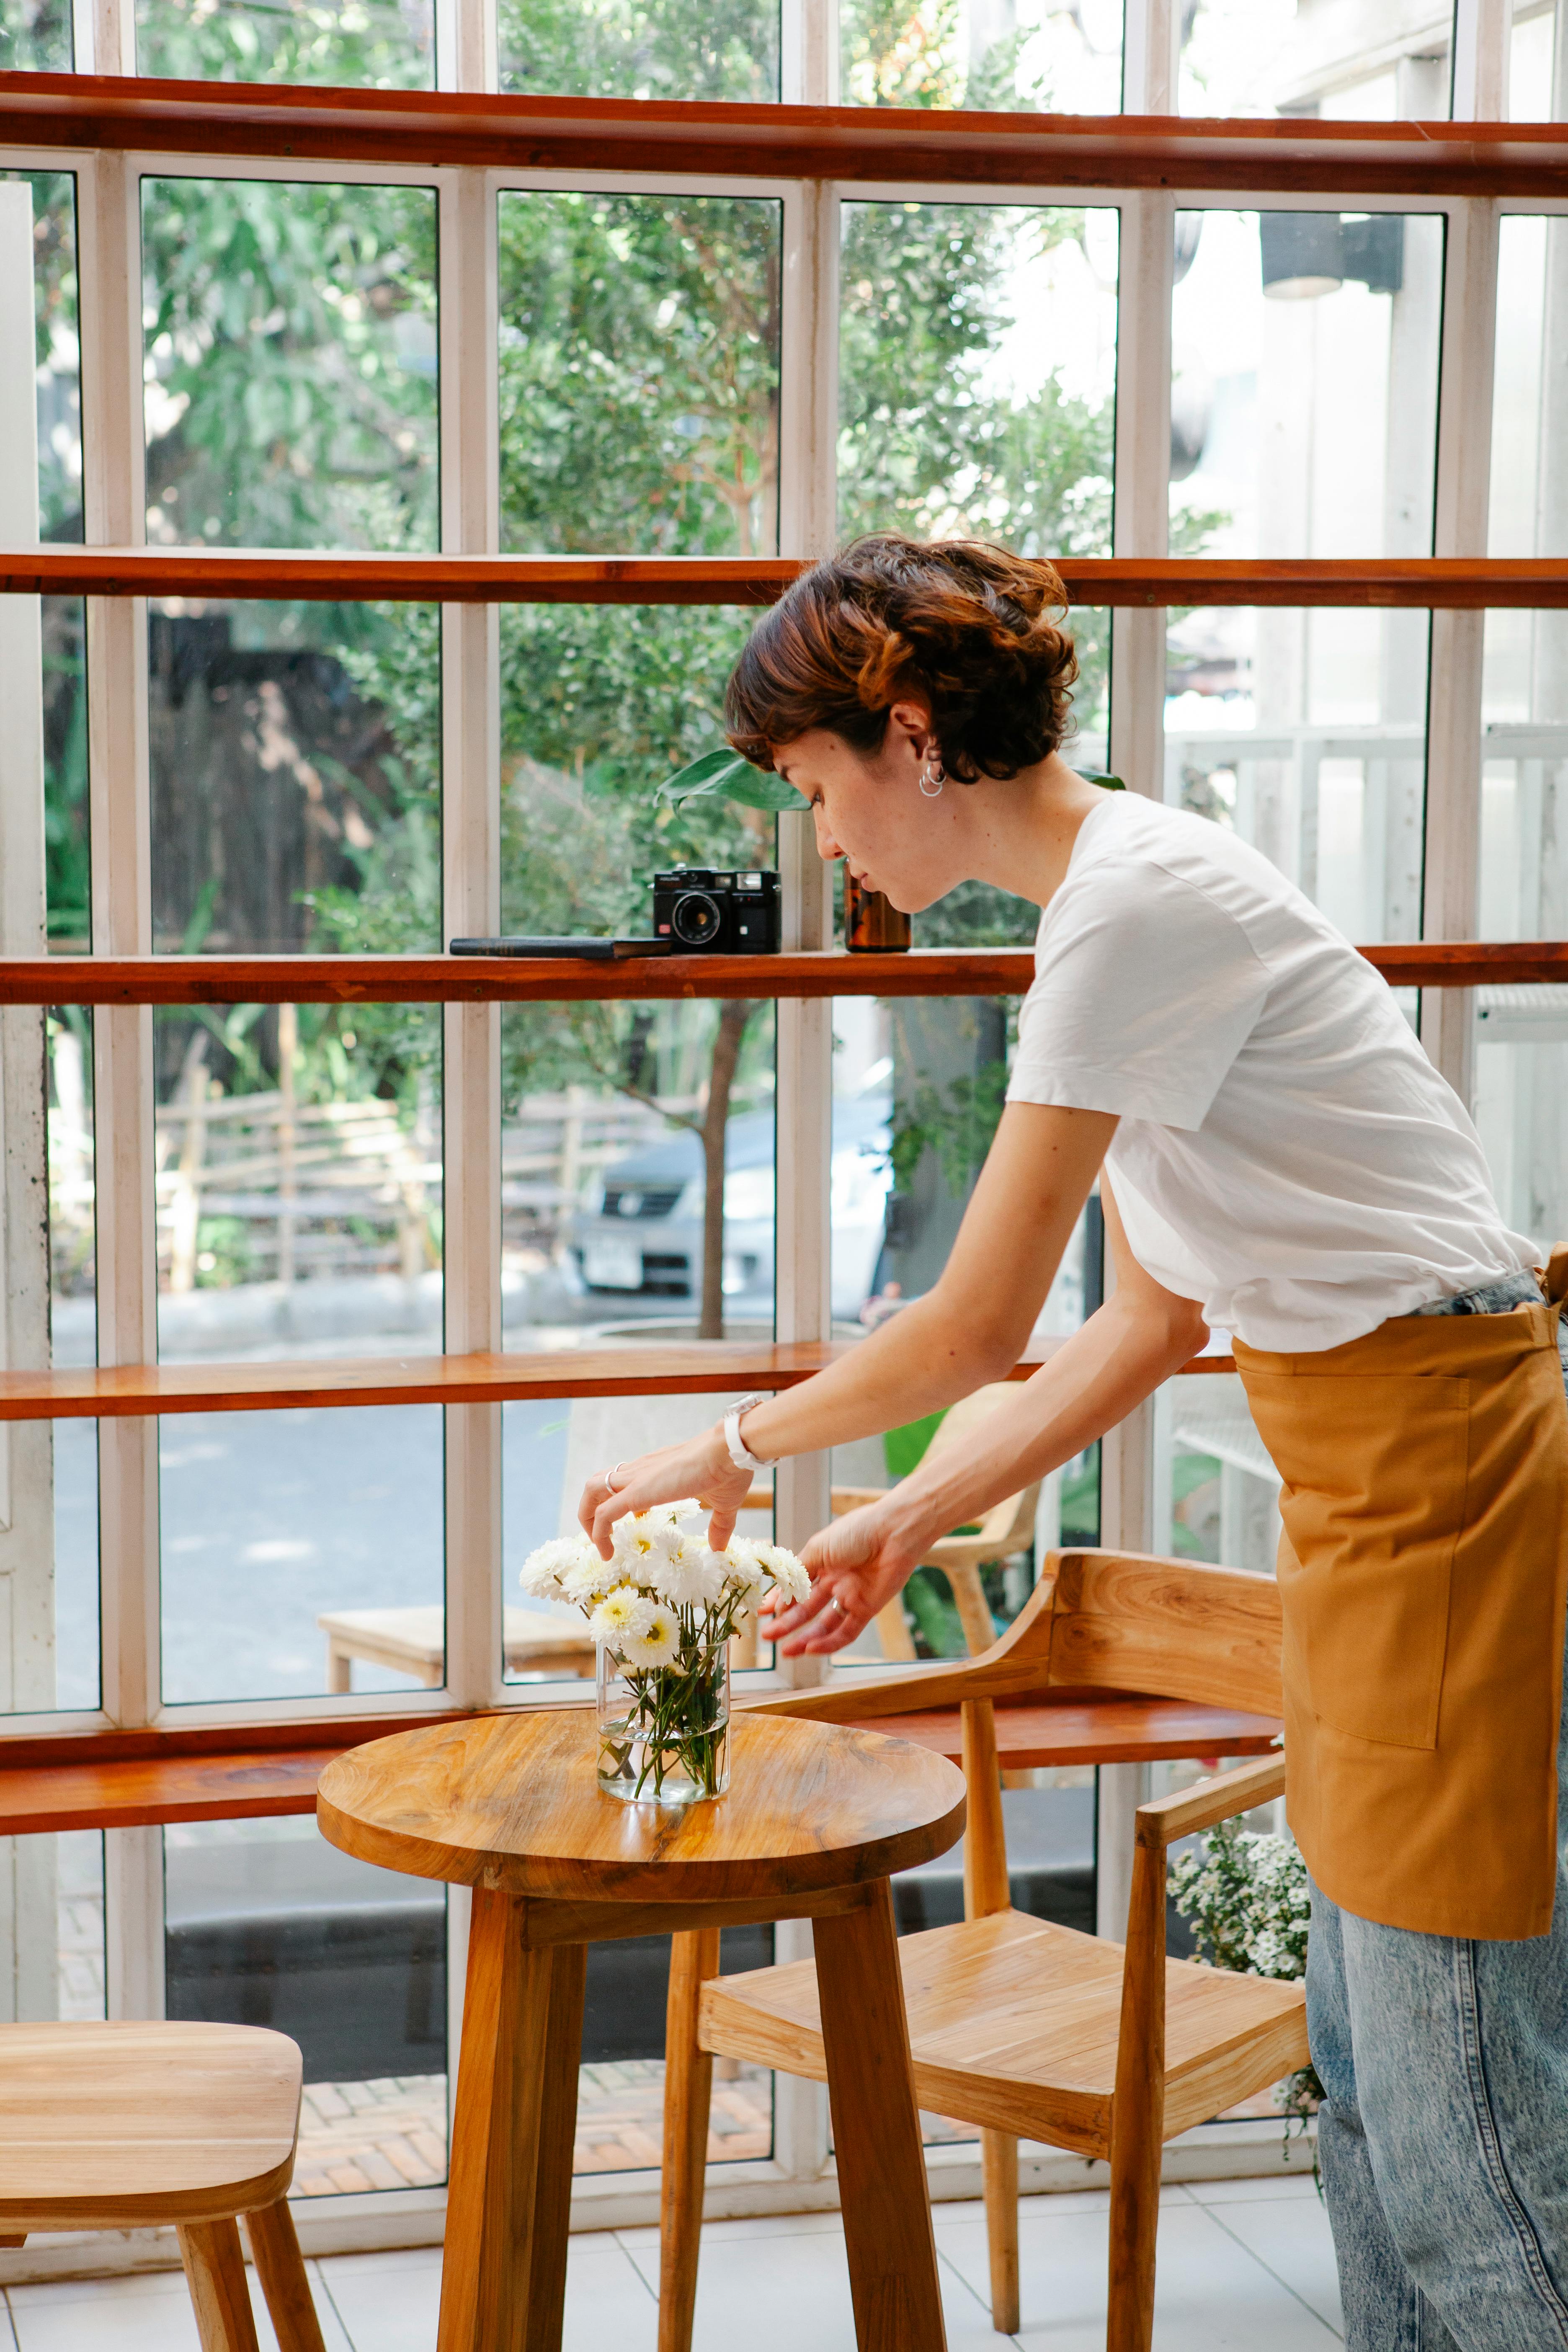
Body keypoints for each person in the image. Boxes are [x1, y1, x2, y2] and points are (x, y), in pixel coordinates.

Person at [579, 532, 1568, 2349]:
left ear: (909, 737)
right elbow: (1151, 1315)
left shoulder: (1131, 907)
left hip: (1452, 1490)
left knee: (1468, 2143)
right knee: (1365, 2093)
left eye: (814, 787)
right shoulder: (1108, 913)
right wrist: (906, 1518)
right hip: (1379, 1495)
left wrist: (731, 1450)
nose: (820, 838)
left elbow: (974, 1328)